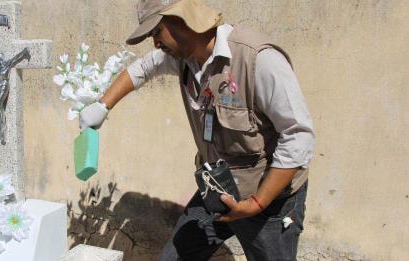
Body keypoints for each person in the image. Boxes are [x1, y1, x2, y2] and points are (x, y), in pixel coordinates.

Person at [79, 0, 315, 260]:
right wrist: (102, 106)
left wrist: (256, 203)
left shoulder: (257, 59)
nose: (155, 43)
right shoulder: (182, 57)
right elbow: (141, 69)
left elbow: (298, 134)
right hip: (216, 186)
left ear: (181, 20)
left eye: (157, 32)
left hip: (269, 202)